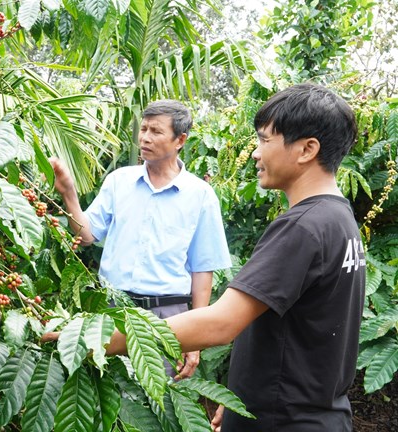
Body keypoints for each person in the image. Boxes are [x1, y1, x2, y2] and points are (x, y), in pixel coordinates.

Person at [96, 83, 365, 431]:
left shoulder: (303, 227)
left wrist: (98, 340)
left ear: (306, 149)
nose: (255, 153)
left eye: (264, 140)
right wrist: (241, 397)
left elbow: (220, 323)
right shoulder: (339, 219)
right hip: (311, 413)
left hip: (284, 421)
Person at [50, 99, 232, 377]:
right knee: (105, 388)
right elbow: (86, 235)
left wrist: (195, 339)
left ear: (180, 140)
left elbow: (202, 269)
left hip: (168, 317)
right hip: (112, 310)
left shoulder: (200, 195)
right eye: (144, 129)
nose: (145, 137)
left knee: (160, 393)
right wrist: (68, 193)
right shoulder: (119, 181)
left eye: (156, 131)